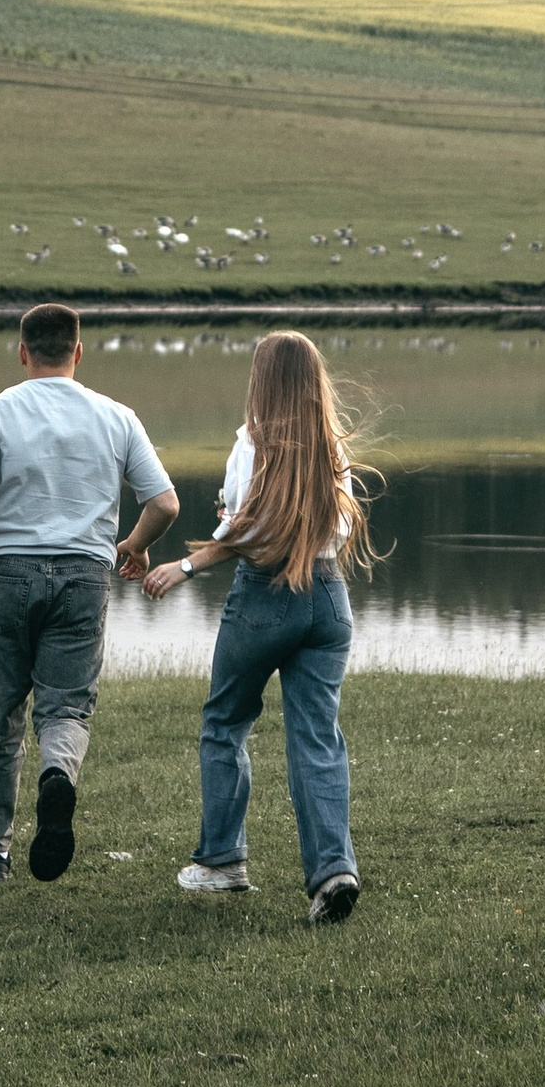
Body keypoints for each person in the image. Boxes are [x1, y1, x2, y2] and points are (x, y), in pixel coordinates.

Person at [0, 302, 178, 887]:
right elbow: (164, 503)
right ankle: (58, 775)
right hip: (84, 576)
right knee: (65, 707)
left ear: (22, 352)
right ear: (78, 350)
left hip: (8, 574)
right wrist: (135, 547)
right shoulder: (117, 415)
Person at [144, 329, 375, 923]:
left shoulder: (253, 442)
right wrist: (239, 519)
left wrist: (186, 565)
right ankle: (334, 872)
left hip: (266, 595)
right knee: (317, 736)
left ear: (262, 379)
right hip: (328, 597)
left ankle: (222, 861)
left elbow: (249, 532)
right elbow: (324, 530)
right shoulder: (332, 449)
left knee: (225, 722)